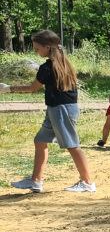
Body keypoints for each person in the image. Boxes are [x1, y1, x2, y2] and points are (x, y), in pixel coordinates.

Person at [3, 30, 96, 193]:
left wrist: (8, 89)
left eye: (37, 48)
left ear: (47, 47)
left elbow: (32, 88)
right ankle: (36, 181)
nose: (35, 51)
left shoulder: (47, 67)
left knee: (72, 145)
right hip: (57, 108)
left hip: (61, 110)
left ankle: (87, 182)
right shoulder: (64, 62)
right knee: (40, 141)